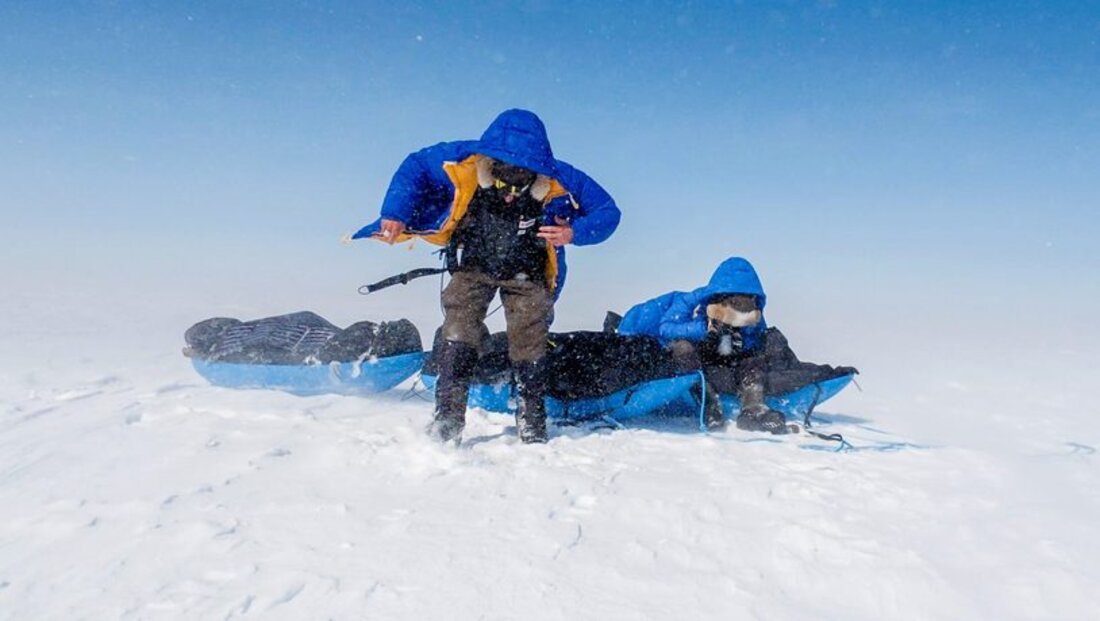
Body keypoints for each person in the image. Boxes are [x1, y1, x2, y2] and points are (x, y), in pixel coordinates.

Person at [354, 109, 620, 444]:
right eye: (502, 183)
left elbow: (608, 212)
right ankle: (447, 420)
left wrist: (574, 232)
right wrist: (395, 211)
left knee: (529, 335)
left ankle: (532, 420)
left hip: (529, 272)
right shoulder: (463, 159)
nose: (509, 194)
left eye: (519, 186)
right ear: (489, 165)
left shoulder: (561, 176)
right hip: (474, 265)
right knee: (459, 329)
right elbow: (415, 165)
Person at [616, 257, 789, 434]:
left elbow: (756, 338)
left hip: (717, 354)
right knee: (683, 348)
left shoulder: (753, 313)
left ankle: (754, 408)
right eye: (735, 304)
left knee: (753, 361)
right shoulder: (690, 302)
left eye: (746, 305)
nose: (739, 312)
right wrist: (704, 330)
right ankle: (708, 402)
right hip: (678, 345)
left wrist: (741, 341)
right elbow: (666, 328)